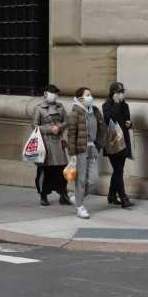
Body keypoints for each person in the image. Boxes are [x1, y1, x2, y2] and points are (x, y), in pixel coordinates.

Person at [64, 86, 105, 219]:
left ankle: (76, 197)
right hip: (80, 150)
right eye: (87, 95)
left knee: (93, 180)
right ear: (80, 98)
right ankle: (80, 206)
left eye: (90, 95)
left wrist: (99, 144)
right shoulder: (74, 114)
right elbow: (71, 135)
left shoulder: (95, 111)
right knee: (80, 180)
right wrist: (73, 154)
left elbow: (101, 128)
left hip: (92, 149)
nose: (90, 97)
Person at [32, 84, 71, 206]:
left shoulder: (60, 107)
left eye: (56, 93)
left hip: (58, 141)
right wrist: (50, 129)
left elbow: (66, 121)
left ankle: (63, 194)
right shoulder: (38, 108)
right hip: (46, 142)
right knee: (46, 170)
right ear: (45, 94)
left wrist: (59, 127)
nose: (54, 95)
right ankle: (43, 195)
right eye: (52, 92)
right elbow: (34, 125)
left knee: (62, 169)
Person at [101, 81, 134, 208]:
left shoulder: (125, 106)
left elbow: (128, 119)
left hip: (123, 141)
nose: (121, 94)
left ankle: (111, 195)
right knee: (118, 170)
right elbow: (109, 119)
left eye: (122, 92)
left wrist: (129, 124)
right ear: (113, 93)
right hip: (112, 142)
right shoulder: (106, 105)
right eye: (119, 92)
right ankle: (123, 197)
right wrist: (115, 104)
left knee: (118, 170)